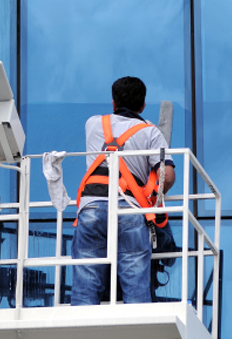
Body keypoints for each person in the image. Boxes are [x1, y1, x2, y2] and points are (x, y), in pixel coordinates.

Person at [71, 76, 176, 305]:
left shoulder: (93, 124)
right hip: (129, 210)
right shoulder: (150, 132)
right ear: (143, 106)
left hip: (91, 210)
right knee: (136, 288)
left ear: (113, 103)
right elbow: (167, 176)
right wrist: (152, 196)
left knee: (85, 289)